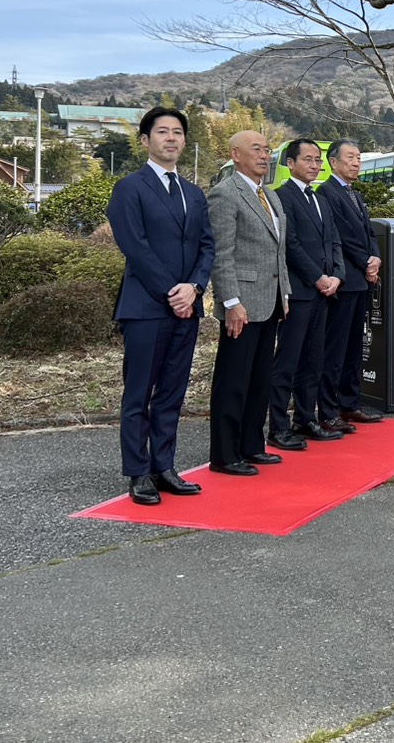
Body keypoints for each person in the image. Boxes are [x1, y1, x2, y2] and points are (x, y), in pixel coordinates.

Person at [106, 107, 215, 506]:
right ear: (145, 140)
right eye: (163, 132)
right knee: (139, 393)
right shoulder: (129, 188)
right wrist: (173, 291)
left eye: (178, 132)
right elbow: (135, 247)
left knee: (172, 392)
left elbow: (207, 245)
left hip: (188, 305)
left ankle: (164, 466)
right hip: (147, 307)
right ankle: (138, 472)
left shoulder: (193, 193)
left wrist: (195, 287)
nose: (171, 138)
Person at [206, 130, 291, 476]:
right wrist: (231, 301)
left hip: (271, 300)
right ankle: (225, 454)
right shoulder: (225, 193)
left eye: (267, 149)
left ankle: (253, 445)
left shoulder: (270, 195)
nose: (264, 155)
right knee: (233, 379)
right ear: (236, 154)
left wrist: (285, 292)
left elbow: (278, 251)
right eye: (256, 149)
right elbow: (221, 253)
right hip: (241, 302)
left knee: (259, 379)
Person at [269, 139, 346, 449]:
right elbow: (290, 245)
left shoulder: (320, 200)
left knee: (314, 360)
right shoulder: (281, 197)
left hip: (324, 293)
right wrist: (317, 277)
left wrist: (337, 275)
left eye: (318, 160)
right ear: (291, 164)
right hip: (299, 292)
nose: (315, 165)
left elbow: (334, 241)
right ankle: (278, 427)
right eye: (308, 159)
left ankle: (305, 419)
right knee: (287, 361)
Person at [316, 140, 384, 431]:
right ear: (333, 162)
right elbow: (341, 235)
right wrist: (365, 261)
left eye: (359, 157)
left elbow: (369, 232)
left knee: (355, 347)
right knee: (336, 348)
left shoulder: (355, 194)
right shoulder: (326, 192)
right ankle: (328, 409)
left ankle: (350, 404)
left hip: (361, 281)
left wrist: (376, 257)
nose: (356, 163)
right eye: (350, 157)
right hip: (343, 280)